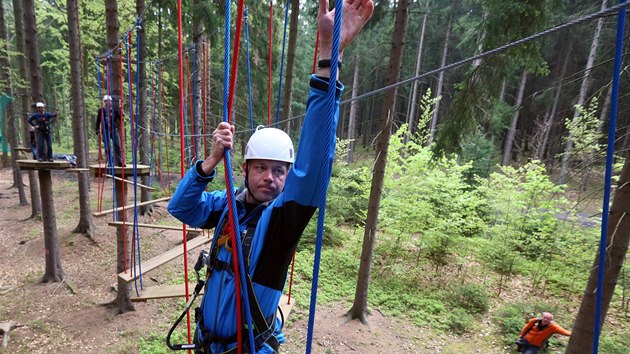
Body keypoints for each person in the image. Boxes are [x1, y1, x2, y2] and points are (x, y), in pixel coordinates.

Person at [167, 0, 374, 352]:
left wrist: (328, 57)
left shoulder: (282, 220)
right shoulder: (227, 206)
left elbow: (313, 161)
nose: (269, 178)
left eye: (279, 171)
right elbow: (182, 208)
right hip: (208, 345)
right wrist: (210, 162)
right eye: (260, 168)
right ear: (245, 170)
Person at [95, 95, 124, 167]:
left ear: (111, 102)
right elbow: (98, 121)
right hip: (105, 131)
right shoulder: (101, 111)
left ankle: (120, 162)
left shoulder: (115, 110)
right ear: (105, 102)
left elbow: (120, 118)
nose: (108, 102)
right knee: (107, 147)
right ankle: (110, 162)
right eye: (106, 101)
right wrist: (97, 130)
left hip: (113, 130)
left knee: (117, 146)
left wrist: (121, 113)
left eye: (109, 101)